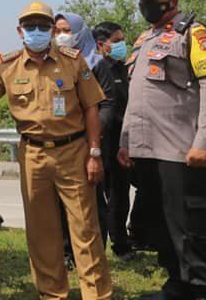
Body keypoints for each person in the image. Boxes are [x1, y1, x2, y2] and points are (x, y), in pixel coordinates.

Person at [0, 1, 112, 300]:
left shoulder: (73, 60)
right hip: (33, 156)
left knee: (85, 229)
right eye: (30, 27)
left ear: (52, 31)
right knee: (42, 233)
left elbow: (92, 107)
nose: (36, 32)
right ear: (19, 31)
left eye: (42, 26)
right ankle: (53, 294)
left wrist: (94, 153)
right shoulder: (8, 66)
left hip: (73, 152)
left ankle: (97, 294)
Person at [118, 0, 206, 300]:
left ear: (173, 1)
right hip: (147, 152)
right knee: (160, 225)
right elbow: (136, 97)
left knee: (191, 228)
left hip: (182, 151)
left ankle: (204, 290)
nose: (145, 4)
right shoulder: (143, 40)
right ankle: (177, 284)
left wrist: (204, 143)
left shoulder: (194, 35)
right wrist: (125, 142)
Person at [54, 11, 107, 269]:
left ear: (80, 32)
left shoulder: (97, 64)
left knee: (91, 204)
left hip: (91, 144)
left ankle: (96, 253)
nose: (62, 36)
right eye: (58, 31)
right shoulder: (56, 64)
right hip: (64, 145)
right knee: (61, 205)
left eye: (67, 30)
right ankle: (67, 252)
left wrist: (94, 146)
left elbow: (100, 107)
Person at [91, 21, 134, 260]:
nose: (121, 45)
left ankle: (121, 244)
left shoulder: (122, 69)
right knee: (98, 200)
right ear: (101, 44)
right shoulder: (95, 68)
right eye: (116, 41)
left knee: (120, 194)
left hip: (121, 142)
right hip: (99, 142)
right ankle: (97, 249)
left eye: (122, 40)